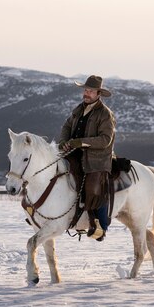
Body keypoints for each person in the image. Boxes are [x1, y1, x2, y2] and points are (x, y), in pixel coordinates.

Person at [58, 75, 116, 241]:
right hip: (74, 155)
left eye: (90, 91)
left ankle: (101, 227)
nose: (86, 93)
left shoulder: (105, 114)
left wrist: (81, 142)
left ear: (98, 93)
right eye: (85, 90)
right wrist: (63, 142)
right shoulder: (78, 109)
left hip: (96, 159)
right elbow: (66, 126)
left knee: (94, 189)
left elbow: (106, 140)